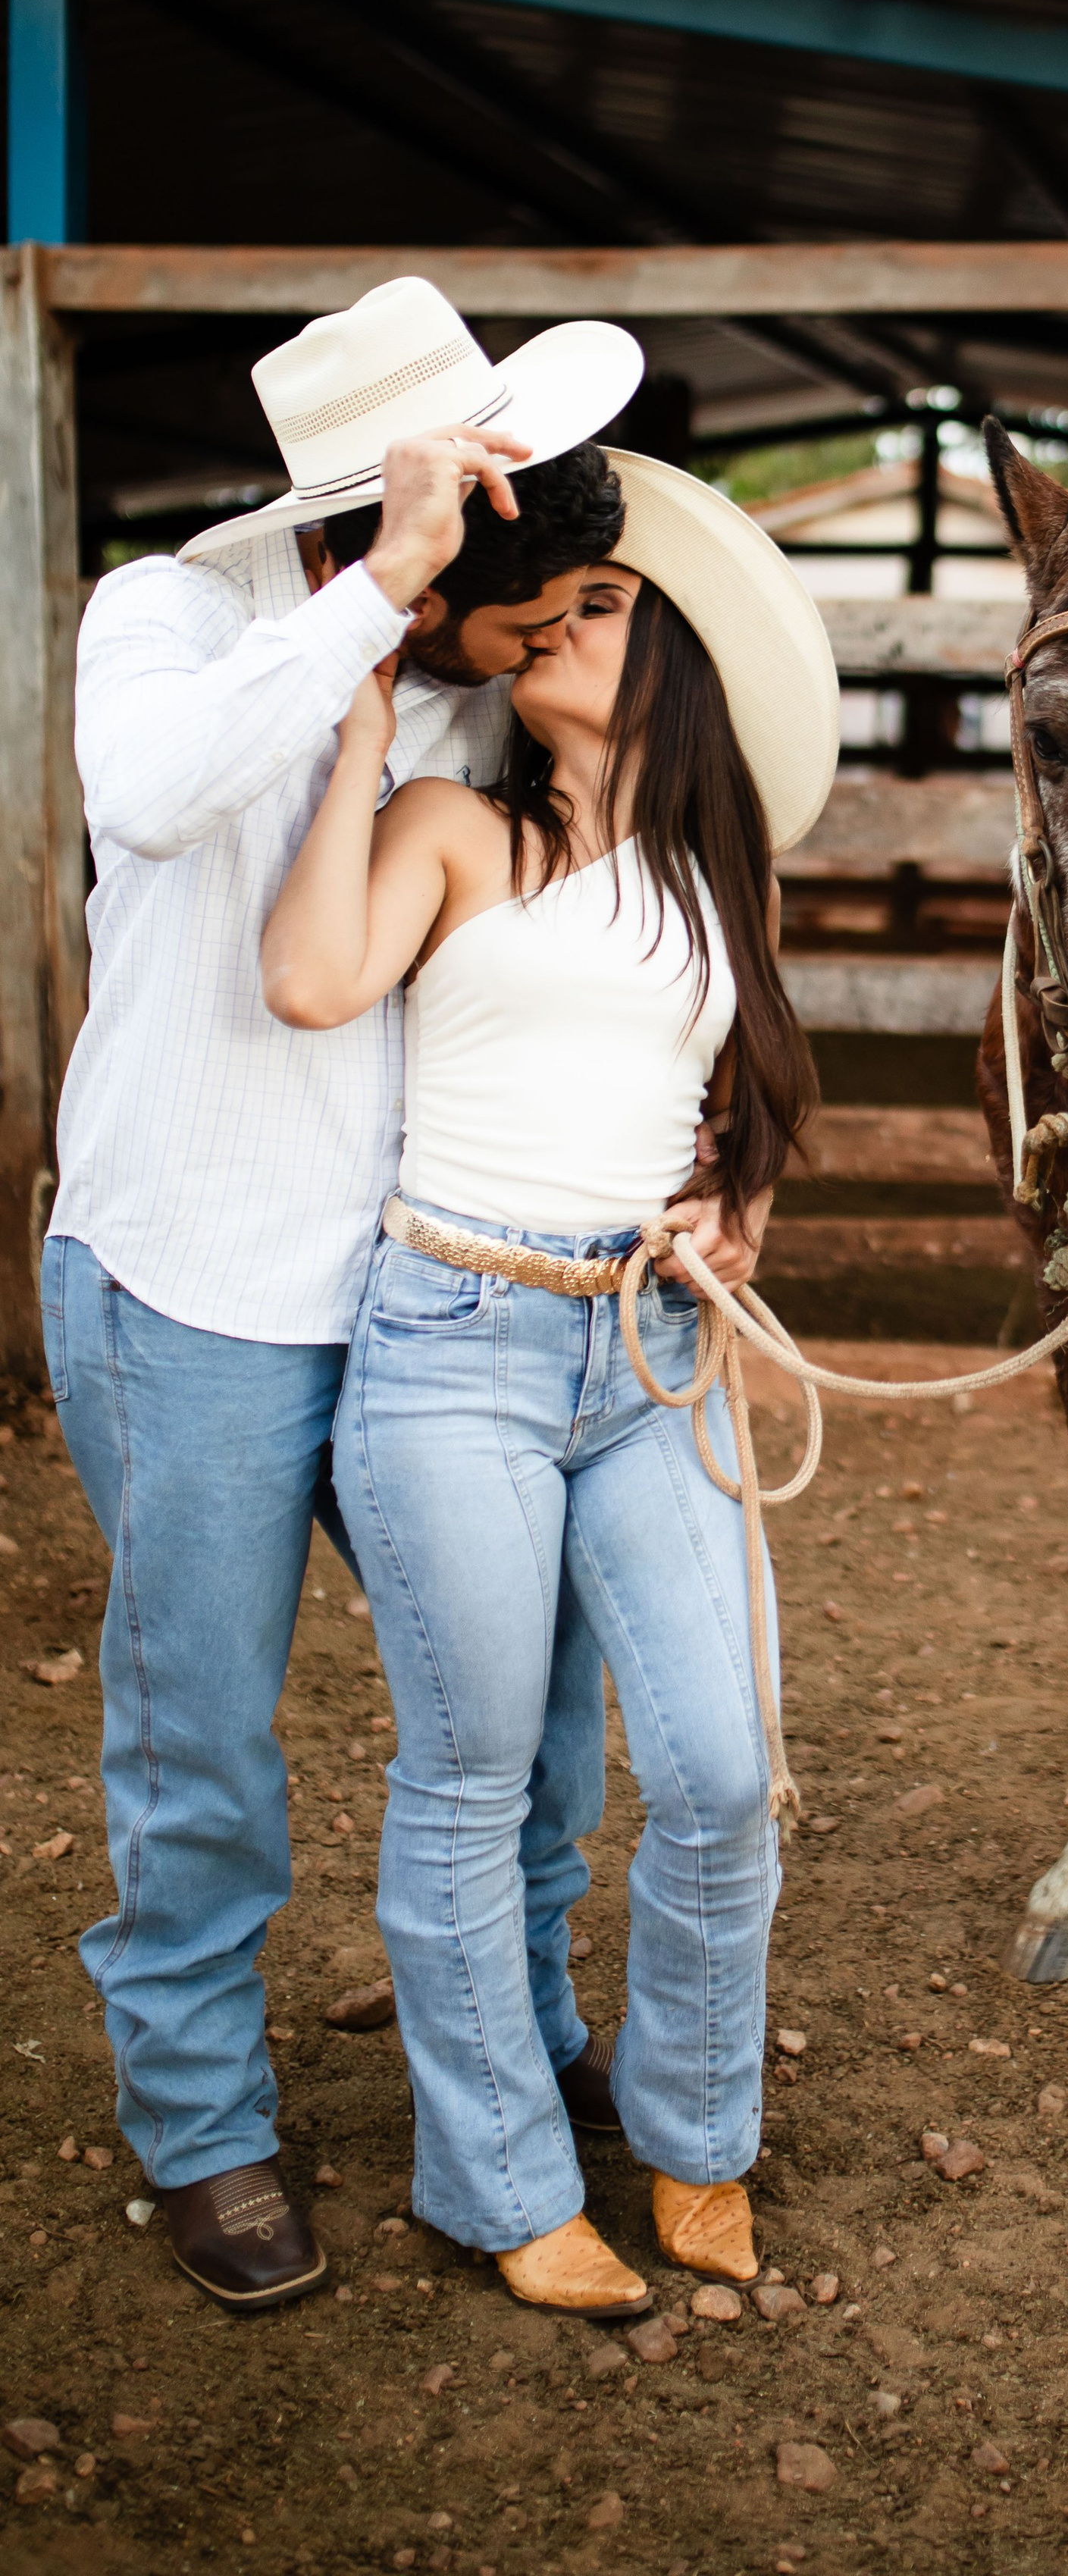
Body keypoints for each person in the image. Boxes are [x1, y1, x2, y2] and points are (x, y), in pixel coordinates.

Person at [42, 277, 644, 2308]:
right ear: (383, 525)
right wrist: (373, 600)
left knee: (536, 1686)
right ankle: (204, 2121)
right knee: (205, 1733)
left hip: (425, 1285)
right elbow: (152, 798)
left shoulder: (488, 690)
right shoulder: (172, 619)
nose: (548, 639)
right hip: (188, 1278)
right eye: (514, 595)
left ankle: (532, 2032)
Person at [261, 452, 839, 2314]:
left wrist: (727, 1210)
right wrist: (356, 735)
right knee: (472, 1779)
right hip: (455, 1347)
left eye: (598, 607)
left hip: (649, 1356)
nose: (556, 624)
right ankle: (500, 2181)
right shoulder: (450, 822)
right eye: (552, 607)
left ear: (663, 657)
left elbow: (738, 1103)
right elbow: (304, 980)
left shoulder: (711, 871)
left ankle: (692, 2138)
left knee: (723, 1776)